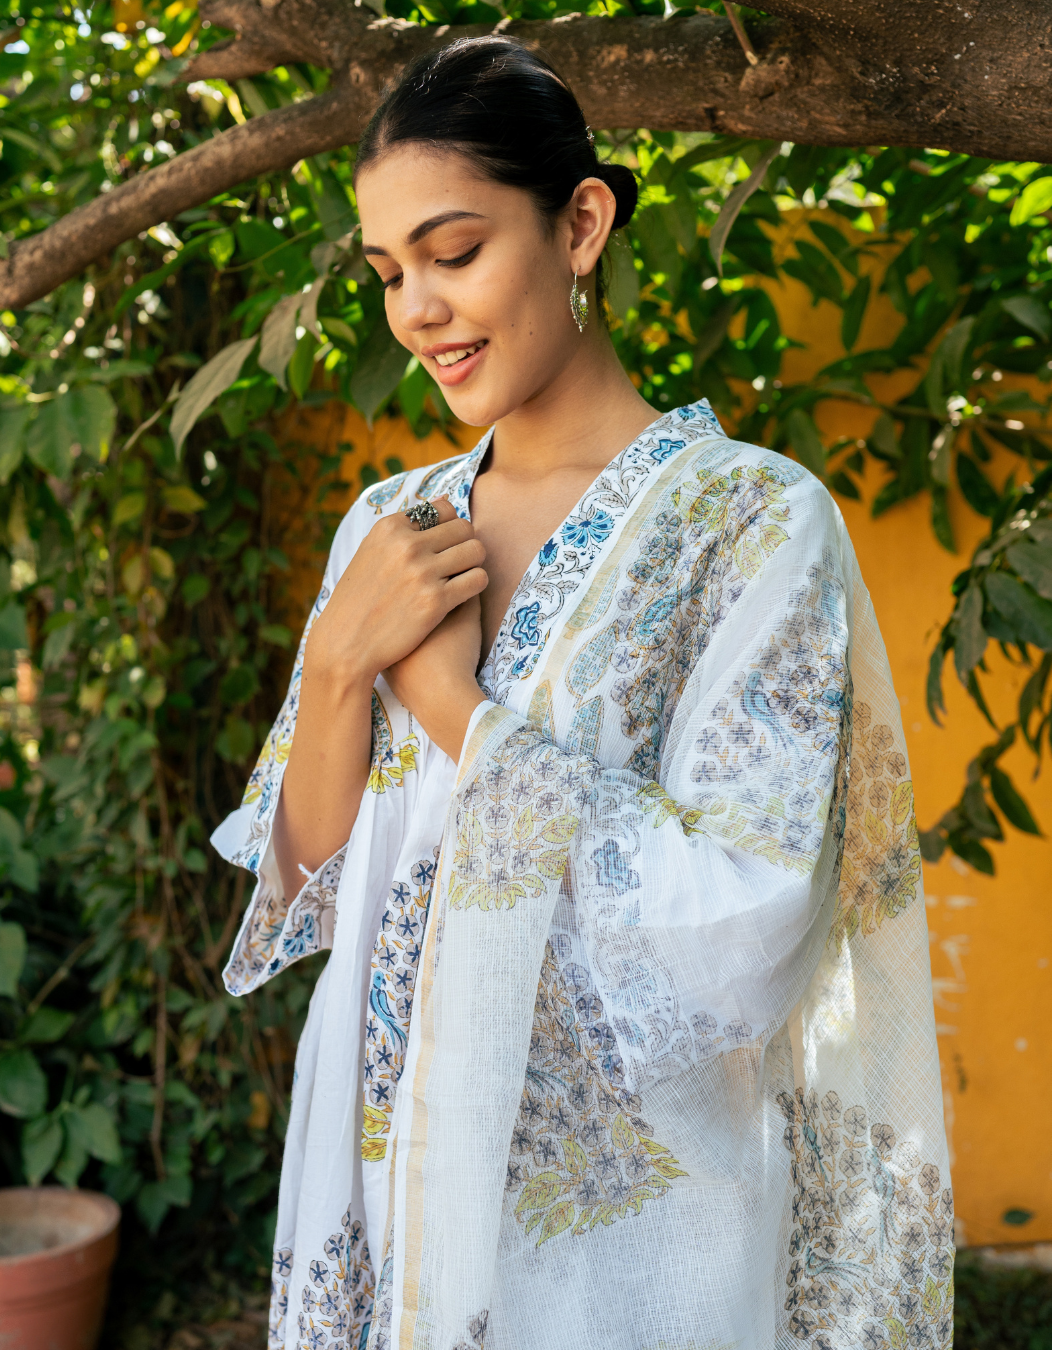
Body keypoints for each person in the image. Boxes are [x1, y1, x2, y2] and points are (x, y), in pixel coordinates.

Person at [211, 36, 952, 1350]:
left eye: (453, 252)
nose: (417, 310)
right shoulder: (390, 527)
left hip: (630, 1254)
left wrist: (455, 708)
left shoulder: (749, 524)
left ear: (582, 225)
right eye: (388, 275)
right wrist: (336, 665)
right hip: (386, 1192)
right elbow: (316, 880)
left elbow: (749, 918)